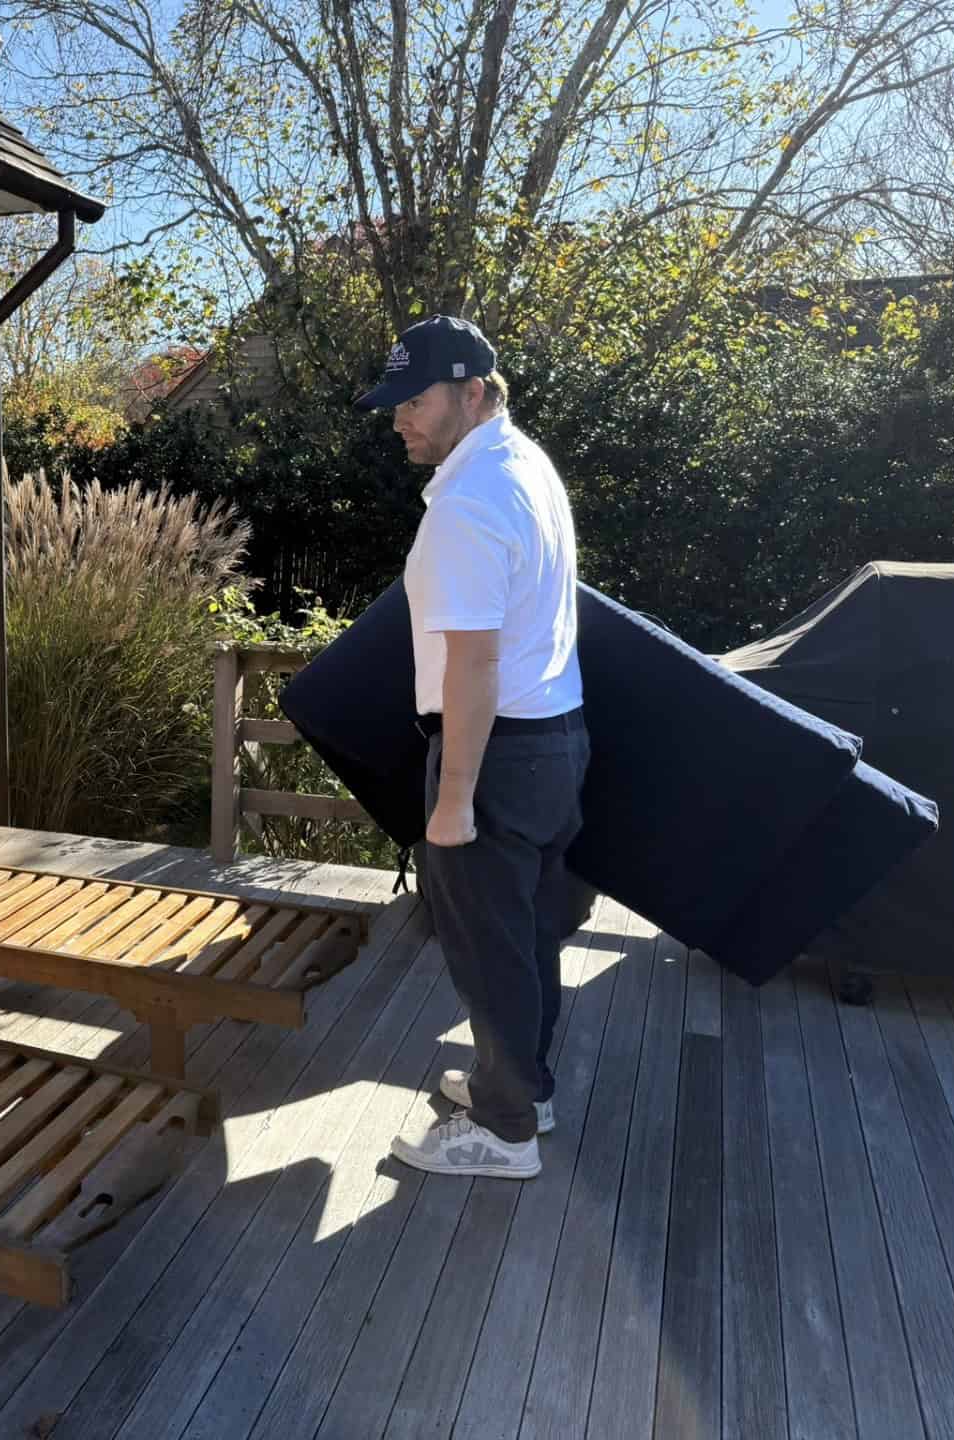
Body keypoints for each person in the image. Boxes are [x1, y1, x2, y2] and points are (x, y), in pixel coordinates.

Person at [354, 315, 588, 1180]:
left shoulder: (469, 500)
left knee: (488, 948)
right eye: (395, 402)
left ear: (475, 392)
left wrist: (453, 801)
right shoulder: (525, 467)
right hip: (554, 740)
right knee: (525, 936)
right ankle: (525, 1087)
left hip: (496, 754)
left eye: (415, 401)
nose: (399, 419)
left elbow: (474, 661)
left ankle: (502, 1131)